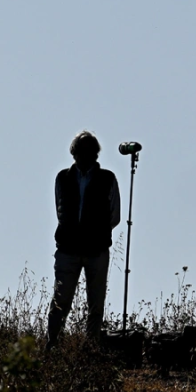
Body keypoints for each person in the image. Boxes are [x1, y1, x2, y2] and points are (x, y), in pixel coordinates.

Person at [46, 131, 121, 350]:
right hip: (68, 249)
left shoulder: (107, 178)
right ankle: (53, 347)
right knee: (60, 301)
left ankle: (90, 349)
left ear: (95, 154)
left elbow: (114, 216)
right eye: (81, 151)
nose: (84, 155)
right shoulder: (63, 178)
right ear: (74, 153)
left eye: (88, 151)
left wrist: (95, 234)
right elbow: (61, 210)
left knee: (95, 304)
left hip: (96, 250)